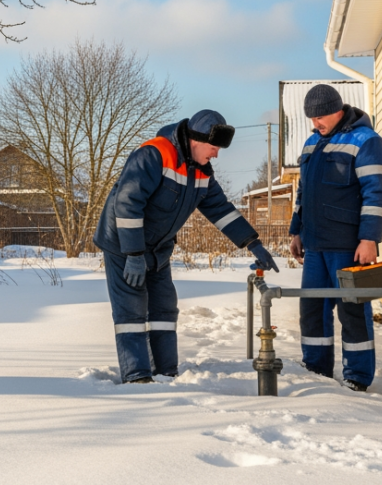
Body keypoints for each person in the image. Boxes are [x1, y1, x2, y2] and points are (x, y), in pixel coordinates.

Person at [94, 110, 278, 384]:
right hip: (124, 245)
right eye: (213, 147)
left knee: (165, 308)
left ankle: (166, 371)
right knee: (131, 310)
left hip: (158, 248)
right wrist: (133, 254)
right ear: (196, 139)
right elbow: (127, 203)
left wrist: (253, 243)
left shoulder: (201, 172)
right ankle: (137, 377)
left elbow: (221, 210)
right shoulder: (154, 155)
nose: (215, 154)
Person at [288, 84, 382, 392]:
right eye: (311, 118)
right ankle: (315, 368)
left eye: (319, 117)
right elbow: (303, 193)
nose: (314, 124)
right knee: (312, 310)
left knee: (352, 311)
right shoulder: (311, 144)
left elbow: (377, 192)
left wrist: (369, 238)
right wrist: (297, 231)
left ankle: (357, 377)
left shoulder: (367, 142)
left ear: (337, 110)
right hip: (315, 245)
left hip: (348, 245)